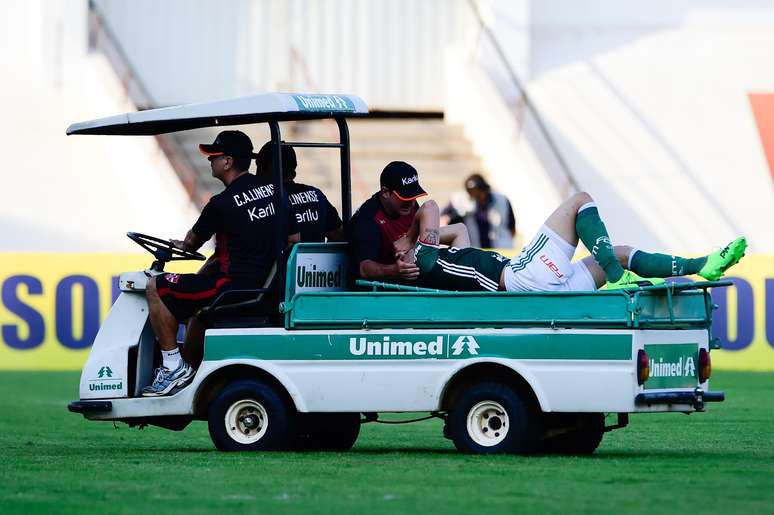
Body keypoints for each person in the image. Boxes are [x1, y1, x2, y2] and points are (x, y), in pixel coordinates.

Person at [143, 130, 300, 396]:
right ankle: (189, 369)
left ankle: (172, 366)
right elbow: (294, 240)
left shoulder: (220, 204)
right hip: (267, 286)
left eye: (213, 157)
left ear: (227, 162)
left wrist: (180, 246)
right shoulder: (278, 193)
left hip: (231, 287)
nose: (209, 162)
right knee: (196, 301)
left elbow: (191, 243)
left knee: (155, 286)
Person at [395, 191, 746, 292]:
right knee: (580, 201)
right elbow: (429, 206)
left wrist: (412, 240)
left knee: (621, 253)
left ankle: (702, 266)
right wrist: (410, 240)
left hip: (542, 283)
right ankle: (615, 275)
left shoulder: (435, 255)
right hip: (522, 277)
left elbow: (457, 231)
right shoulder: (421, 260)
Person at [349, 161, 469, 282]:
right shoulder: (368, 219)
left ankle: (463, 283)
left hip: (414, 267)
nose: (411, 203)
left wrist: (411, 240)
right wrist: (395, 270)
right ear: (385, 192)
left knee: (460, 229)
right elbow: (365, 269)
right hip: (389, 285)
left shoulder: (408, 206)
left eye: (413, 196)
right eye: (405, 197)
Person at [255, 141, 343, 242]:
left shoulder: (266, 200)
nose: (256, 173)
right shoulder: (316, 194)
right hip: (316, 257)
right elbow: (338, 235)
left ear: (269, 167)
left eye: (258, 165)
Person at [441, 173, 516, 248]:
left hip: (501, 247)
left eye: (480, 192)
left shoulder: (502, 200)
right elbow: (443, 220)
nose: (479, 197)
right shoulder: (458, 201)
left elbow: (512, 227)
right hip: (473, 248)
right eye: (474, 194)